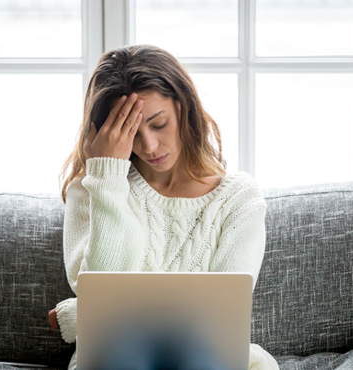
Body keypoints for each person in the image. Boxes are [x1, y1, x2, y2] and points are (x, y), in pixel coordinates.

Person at [48, 44, 279, 370]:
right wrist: (107, 178)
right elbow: (102, 288)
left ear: (184, 107)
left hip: (206, 359)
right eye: (131, 134)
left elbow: (219, 321)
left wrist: (80, 315)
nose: (148, 146)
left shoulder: (239, 199)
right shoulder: (94, 188)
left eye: (158, 124)